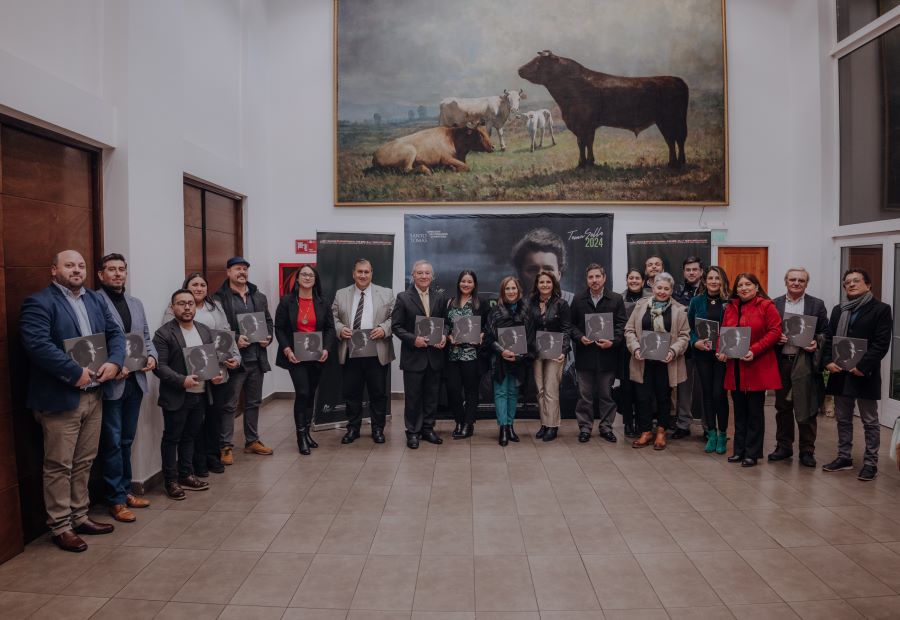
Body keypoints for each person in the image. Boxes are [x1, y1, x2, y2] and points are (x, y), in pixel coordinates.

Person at [19, 250, 124, 552]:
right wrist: (73, 372)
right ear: (54, 270)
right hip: (61, 397)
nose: (77, 270)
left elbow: (115, 334)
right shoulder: (39, 303)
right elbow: (37, 345)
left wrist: (115, 363)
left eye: (80, 265)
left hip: (95, 394)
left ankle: (80, 515)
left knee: (85, 461)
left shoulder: (94, 299)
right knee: (58, 464)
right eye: (69, 265)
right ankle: (61, 525)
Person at [96, 253, 158, 523]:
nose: (118, 274)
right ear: (101, 274)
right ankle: (115, 499)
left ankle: (125, 490)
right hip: (112, 383)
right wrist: (113, 362)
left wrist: (152, 356)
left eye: (122, 269)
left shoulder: (135, 303)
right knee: (111, 442)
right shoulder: (93, 301)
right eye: (111, 269)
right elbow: (94, 341)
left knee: (126, 440)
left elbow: (144, 336)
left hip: (135, 380)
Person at [165, 273, 240, 475]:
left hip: (216, 372)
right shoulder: (175, 310)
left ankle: (212, 457)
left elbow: (225, 336)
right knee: (193, 424)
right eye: (194, 284)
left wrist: (234, 358)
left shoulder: (215, 307)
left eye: (202, 285)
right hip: (189, 378)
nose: (199, 288)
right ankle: (197, 463)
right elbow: (170, 343)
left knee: (214, 417)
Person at [153, 289, 226, 500]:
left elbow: (209, 360)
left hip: (201, 394)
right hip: (177, 395)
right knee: (172, 438)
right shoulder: (164, 333)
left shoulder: (204, 330)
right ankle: (171, 481)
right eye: (181, 303)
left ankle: (186, 474)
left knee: (190, 437)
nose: (187, 307)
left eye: (190, 303)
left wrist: (215, 374)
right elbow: (160, 366)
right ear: (173, 307)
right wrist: (181, 380)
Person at [821, 268, 893, 481]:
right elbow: (829, 338)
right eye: (848, 282)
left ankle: (871, 463)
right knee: (843, 418)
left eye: (856, 281)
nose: (851, 284)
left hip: (864, 374)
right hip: (840, 372)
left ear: (868, 285)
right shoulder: (838, 309)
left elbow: (881, 343)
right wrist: (828, 362)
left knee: (870, 420)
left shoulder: (881, 309)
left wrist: (863, 366)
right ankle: (844, 457)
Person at [716, 273, 782, 468]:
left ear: (756, 286)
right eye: (740, 285)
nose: (743, 288)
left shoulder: (766, 306)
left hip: (756, 364)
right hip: (735, 366)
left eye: (748, 284)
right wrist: (721, 349)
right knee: (739, 411)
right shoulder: (730, 307)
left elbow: (775, 331)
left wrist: (755, 350)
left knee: (754, 411)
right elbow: (724, 332)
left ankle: (753, 453)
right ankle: (739, 450)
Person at [214, 257, 275, 461]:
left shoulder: (259, 296)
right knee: (230, 404)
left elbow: (268, 320)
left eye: (245, 269)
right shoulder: (219, 298)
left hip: (257, 358)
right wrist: (234, 339)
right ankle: (226, 445)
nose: (242, 272)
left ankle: (252, 441)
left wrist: (268, 337)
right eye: (238, 269)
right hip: (234, 360)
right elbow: (217, 329)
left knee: (253, 402)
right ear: (228, 272)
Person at [768, 268, 828, 468]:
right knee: (782, 407)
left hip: (805, 362)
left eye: (801, 280)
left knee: (808, 407)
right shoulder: (774, 304)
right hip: (782, 360)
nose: (796, 283)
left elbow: (825, 333)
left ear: (806, 283)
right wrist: (776, 338)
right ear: (785, 281)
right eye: (792, 279)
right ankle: (783, 447)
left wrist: (816, 343)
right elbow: (768, 331)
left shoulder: (816, 305)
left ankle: (807, 451)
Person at [275, 264, 336, 455]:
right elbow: (279, 328)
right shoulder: (287, 301)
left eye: (311, 275)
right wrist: (286, 349)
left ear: (315, 279)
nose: (308, 277)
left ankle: (308, 433)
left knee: (311, 394)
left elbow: (330, 329)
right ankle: (300, 436)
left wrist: (326, 348)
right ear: (298, 279)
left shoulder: (323, 302)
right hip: (295, 356)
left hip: (317, 356)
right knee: (302, 393)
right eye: (304, 274)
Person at [332, 258, 395, 444]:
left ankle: (377, 429)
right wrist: (339, 329)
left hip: (377, 351)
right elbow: (332, 317)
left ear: (371, 273)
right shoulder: (341, 294)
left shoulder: (386, 293)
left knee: (378, 393)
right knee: (352, 393)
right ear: (353, 273)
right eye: (359, 271)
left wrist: (384, 328)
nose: (363, 275)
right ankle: (353, 428)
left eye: (366, 272)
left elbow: (395, 317)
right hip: (351, 352)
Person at [625, 272, 690, 451]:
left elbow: (685, 336)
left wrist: (673, 350)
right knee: (643, 397)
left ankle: (661, 431)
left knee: (664, 397)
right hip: (642, 360)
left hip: (666, 362)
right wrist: (636, 348)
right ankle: (646, 431)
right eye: (659, 288)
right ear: (653, 288)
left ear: (671, 290)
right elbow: (629, 330)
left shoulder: (679, 310)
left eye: (666, 289)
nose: (662, 291)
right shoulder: (640, 306)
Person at [392, 260, 448, 449]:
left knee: (432, 396)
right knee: (413, 397)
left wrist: (444, 336)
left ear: (432, 277)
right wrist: (412, 339)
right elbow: (396, 327)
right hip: (413, 356)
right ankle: (413, 432)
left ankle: (428, 428)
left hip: (434, 356)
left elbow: (446, 323)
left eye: (427, 273)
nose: (424, 276)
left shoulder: (439, 297)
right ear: (413, 275)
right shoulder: (403, 298)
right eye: (420, 273)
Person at [570, 264, 627, 443]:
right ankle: (585, 428)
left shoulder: (616, 299)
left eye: (597, 277)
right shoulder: (578, 299)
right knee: (584, 396)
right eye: (590, 277)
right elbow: (571, 325)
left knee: (606, 395)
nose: (594, 280)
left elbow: (621, 325)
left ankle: (606, 427)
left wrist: (613, 341)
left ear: (604, 278)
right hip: (585, 356)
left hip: (607, 356)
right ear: (587, 280)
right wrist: (580, 338)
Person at [688, 266, 730, 455]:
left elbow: (736, 328)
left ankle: (722, 434)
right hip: (702, 355)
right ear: (705, 281)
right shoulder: (696, 301)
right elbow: (688, 328)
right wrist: (695, 342)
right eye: (710, 278)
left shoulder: (730, 302)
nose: (714, 281)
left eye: (717, 278)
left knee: (719, 394)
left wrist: (727, 349)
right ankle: (711, 433)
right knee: (706, 393)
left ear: (723, 281)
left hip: (722, 356)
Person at [486, 276, 533, 446]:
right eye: (507, 289)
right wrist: (502, 351)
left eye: (514, 288)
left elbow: (530, 336)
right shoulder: (495, 311)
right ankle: (503, 428)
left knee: (513, 393)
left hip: (519, 360)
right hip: (500, 360)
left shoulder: (526, 311)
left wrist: (520, 354)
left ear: (519, 291)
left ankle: (511, 425)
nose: (511, 292)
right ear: (502, 292)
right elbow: (489, 338)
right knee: (501, 392)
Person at [527, 271, 572, 442]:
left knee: (551, 389)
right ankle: (544, 423)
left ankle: (553, 426)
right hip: (537, 351)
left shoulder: (562, 304)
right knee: (540, 390)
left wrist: (564, 350)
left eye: (548, 282)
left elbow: (566, 329)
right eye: (541, 282)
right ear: (537, 285)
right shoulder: (531, 304)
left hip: (556, 351)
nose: (545, 285)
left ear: (553, 284)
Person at [445, 270, 488, 439]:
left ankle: (468, 424)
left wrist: (481, 336)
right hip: (453, 355)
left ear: (474, 284)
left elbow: (488, 326)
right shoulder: (450, 302)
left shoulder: (480, 303)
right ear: (458, 283)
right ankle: (459, 421)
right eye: (463, 281)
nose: (466, 284)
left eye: (469, 282)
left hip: (471, 355)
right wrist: (448, 337)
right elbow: (445, 325)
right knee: (453, 390)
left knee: (471, 391)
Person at [671, 256, 704, 440]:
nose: (691, 272)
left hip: (706, 346)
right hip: (684, 347)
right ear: (684, 272)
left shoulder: (709, 290)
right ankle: (683, 424)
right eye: (688, 269)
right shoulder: (676, 292)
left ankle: (708, 426)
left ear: (701, 271)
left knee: (707, 388)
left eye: (695, 269)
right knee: (683, 388)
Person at [614, 268, 645, 437]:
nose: (634, 281)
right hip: (624, 350)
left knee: (642, 388)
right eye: (631, 278)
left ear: (643, 281)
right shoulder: (619, 298)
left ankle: (642, 421)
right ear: (627, 281)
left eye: (637, 278)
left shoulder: (650, 298)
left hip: (645, 349)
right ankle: (628, 423)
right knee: (626, 388)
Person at [511, 227, 574, 303]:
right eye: (533, 270)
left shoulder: (574, 303)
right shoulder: (511, 305)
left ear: (559, 274)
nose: (541, 276)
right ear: (520, 274)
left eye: (548, 269)